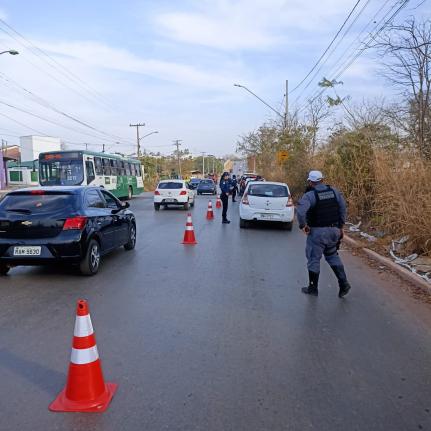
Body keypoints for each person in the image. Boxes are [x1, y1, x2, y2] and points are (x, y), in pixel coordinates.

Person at [296, 170, 351, 298]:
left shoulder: (310, 195)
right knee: (332, 256)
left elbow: (300, 212)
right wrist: (341, 226)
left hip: (318, 233)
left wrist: (303, 226)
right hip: (334, 231)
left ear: (310, 182)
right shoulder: (334, 192)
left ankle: (313, 288)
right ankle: (344, 283)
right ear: (322, 180)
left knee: (313, 258)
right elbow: (343, 208)